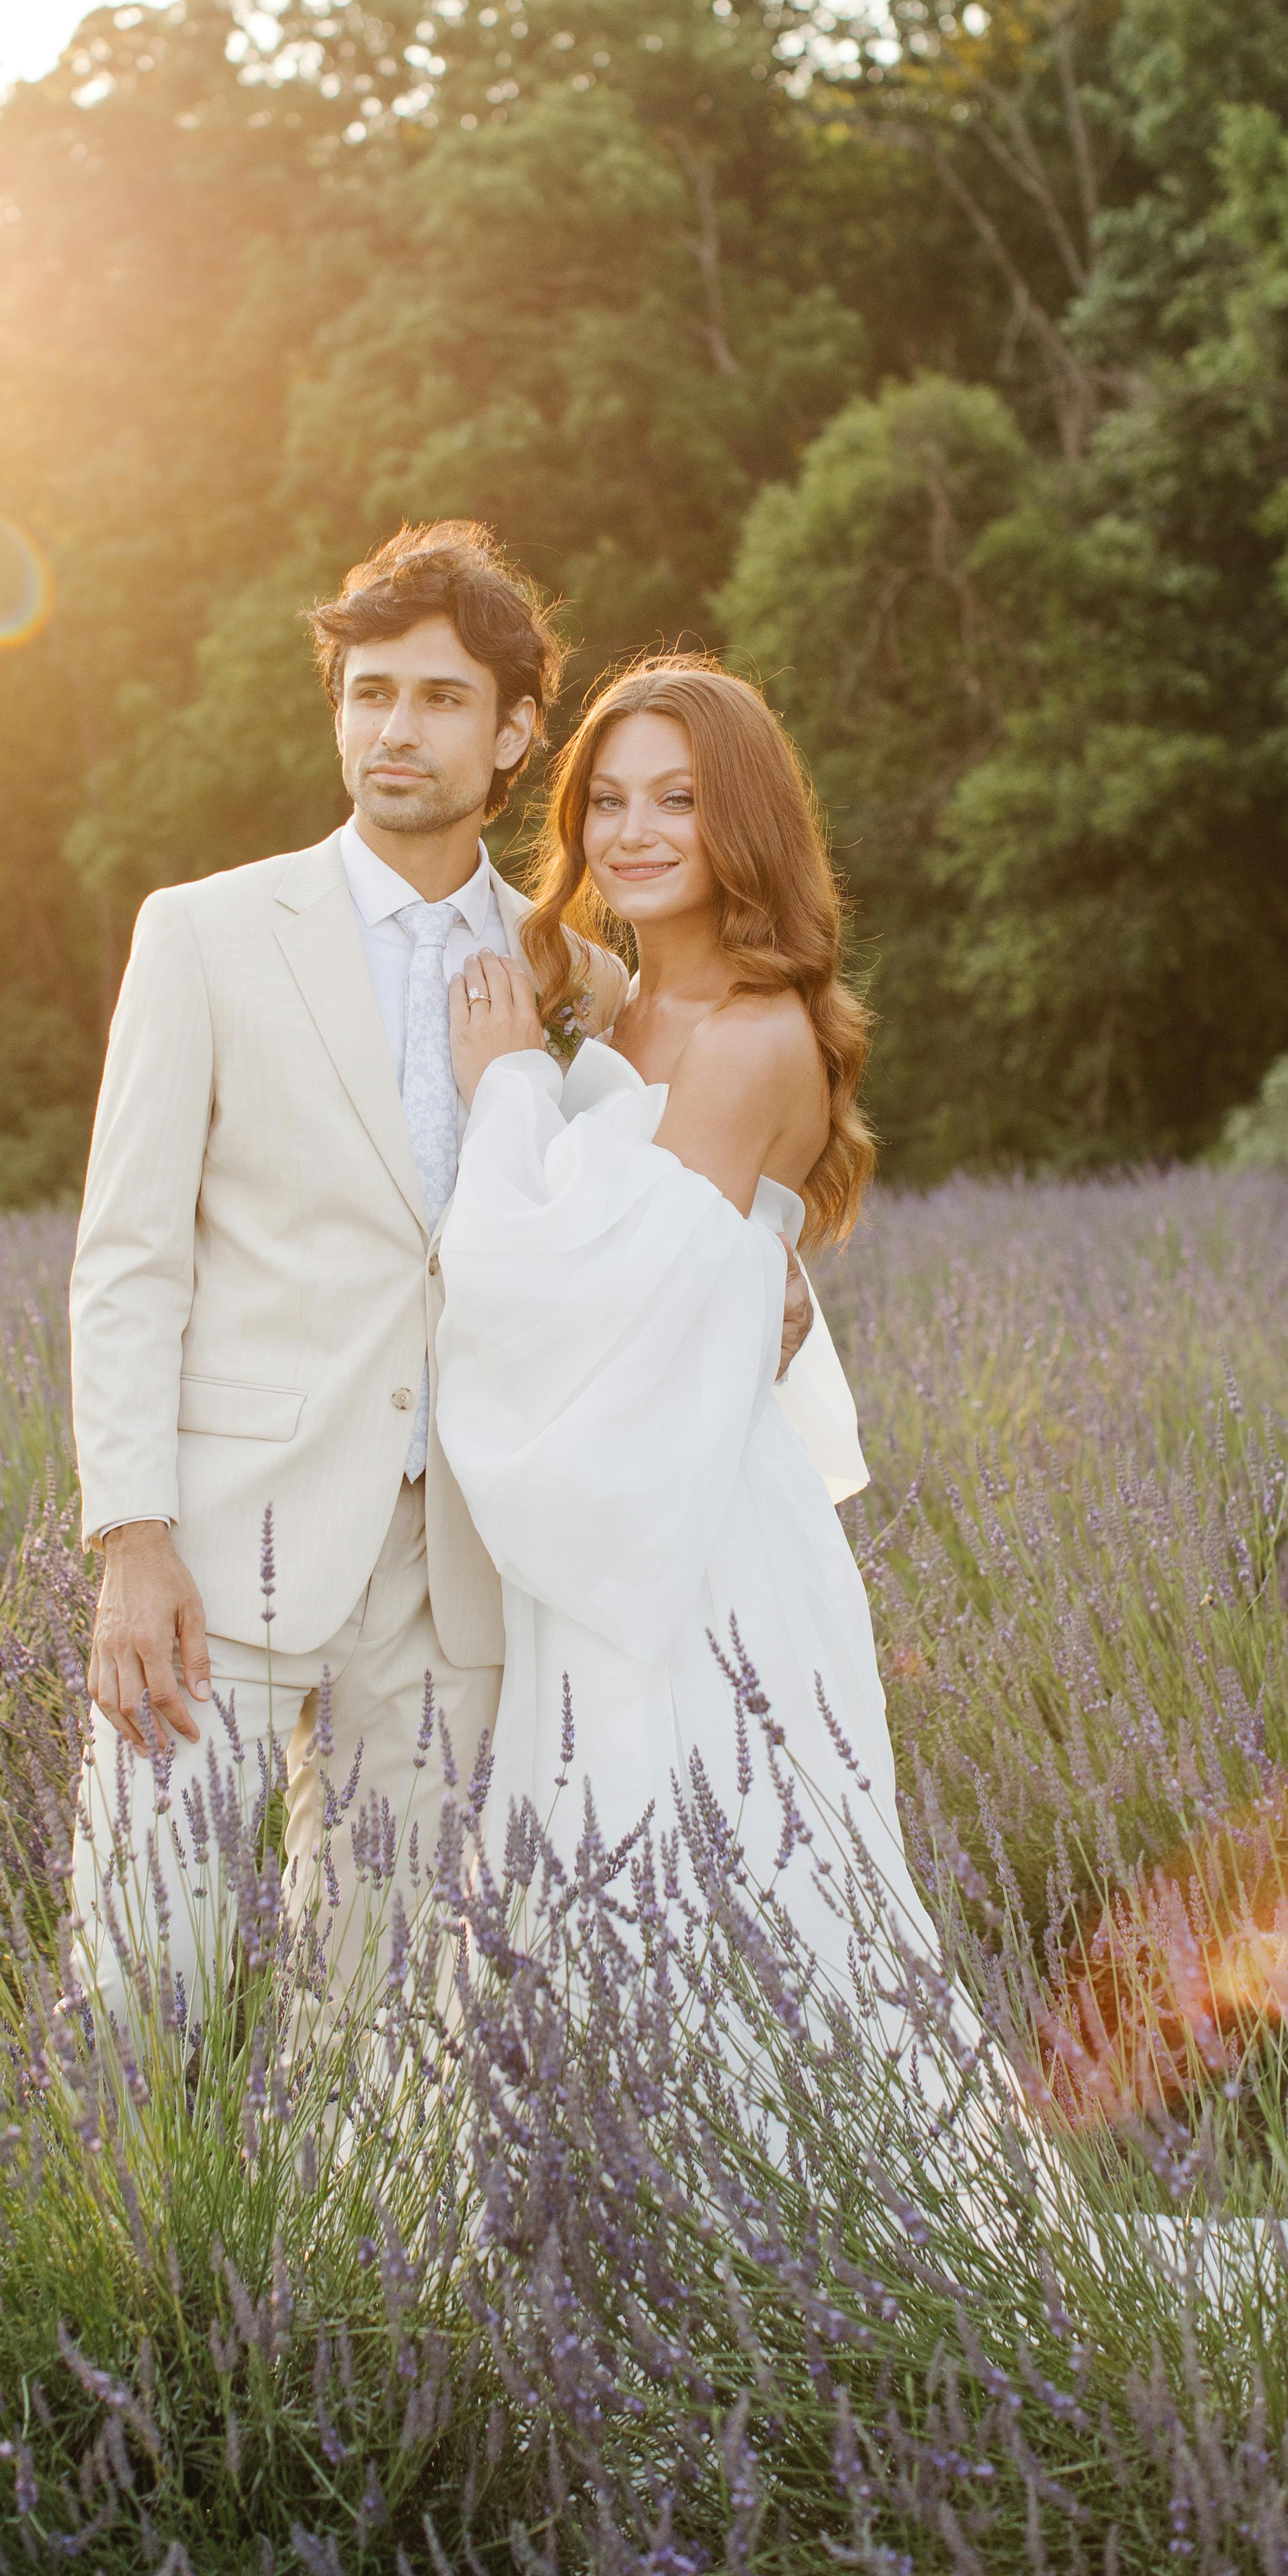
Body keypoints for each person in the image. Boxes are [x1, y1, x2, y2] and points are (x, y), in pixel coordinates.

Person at [65, 530, 813, 2028]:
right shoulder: (204, 933)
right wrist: (130, 1535)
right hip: (224, 1543)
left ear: (514, 732)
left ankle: (348, 2271)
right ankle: (109, 2259)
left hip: (462, 1562)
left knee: (393, 2017)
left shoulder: (574, 975)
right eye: (368, 694)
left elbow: (681, 1192)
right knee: (141, 1974)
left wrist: (764, 1284)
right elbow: (129, 1255)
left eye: (438, 700)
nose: (394, 730)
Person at [433, 657, 955, 2060]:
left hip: (687, 1542)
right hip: (623, 1515)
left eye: (679, 800)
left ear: (749, 825)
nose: (635, 832)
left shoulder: (751, 1038)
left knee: (712, 1885)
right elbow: (646, 1181)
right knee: (597, 1886)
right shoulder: (636, 1007)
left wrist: (502, 1084)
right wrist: (577, 1011)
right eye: (606, 801)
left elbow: (583, 1302)